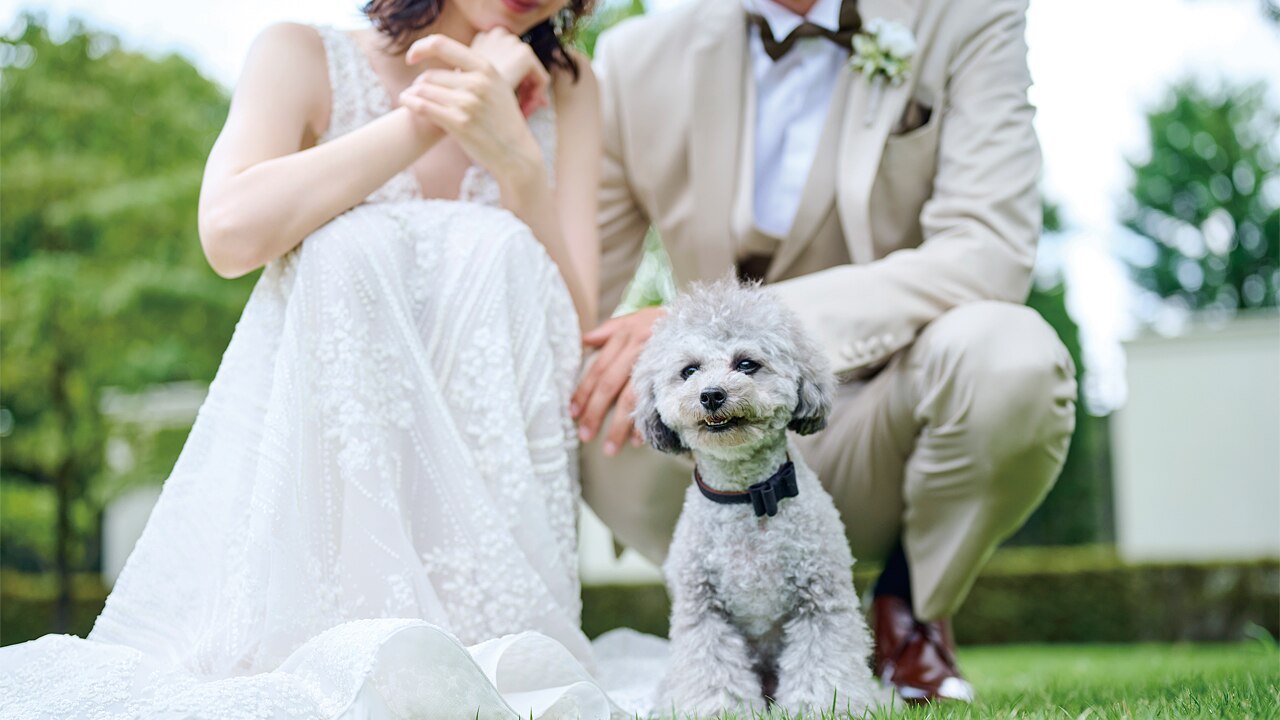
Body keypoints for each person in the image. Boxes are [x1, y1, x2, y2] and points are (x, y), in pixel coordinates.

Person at [0, 1, 620, 716]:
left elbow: (572, 327)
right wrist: (438, 111)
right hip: (327, 506)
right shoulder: (300, 54)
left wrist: (514, 159)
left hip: (494, 520)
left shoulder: (570, 86)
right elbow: (229, 233)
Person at [577, 0, 1078, 702]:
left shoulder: (968, 15)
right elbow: (576, 300)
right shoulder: (635, 58)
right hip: (700, 461)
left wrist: (763, 330)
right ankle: (724, 643)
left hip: (885, 412)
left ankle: (910, 612)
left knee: (1011, 355)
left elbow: (987, 250)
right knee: (563, 374)